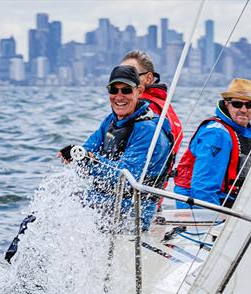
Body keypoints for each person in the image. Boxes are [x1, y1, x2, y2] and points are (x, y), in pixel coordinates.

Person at [59, 65, 173, 228]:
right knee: (37, 218)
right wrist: (77, 155)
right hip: (101, 205)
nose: (119, 96)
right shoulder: (110, 121)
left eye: (126, 90)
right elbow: (87, 151)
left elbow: (125, 178)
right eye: (113, 90)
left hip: (130, 218)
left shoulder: (148, 131)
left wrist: (89, 160)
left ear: (139, 91)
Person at [174, 78, 251, 208]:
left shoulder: (240, 132)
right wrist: (209, 220)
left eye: (249, 105)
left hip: (225, 201)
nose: (243, 110)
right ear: (226, 104)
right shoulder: (216, 134)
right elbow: (203, 188)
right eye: (237, 104)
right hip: (199, 206)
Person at [120, 50, 184, 170]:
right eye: (120, 75)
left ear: (148, 78)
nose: (122, 81)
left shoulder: (144, 109)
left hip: (132, 182)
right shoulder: (165, 106)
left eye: (130, 75)